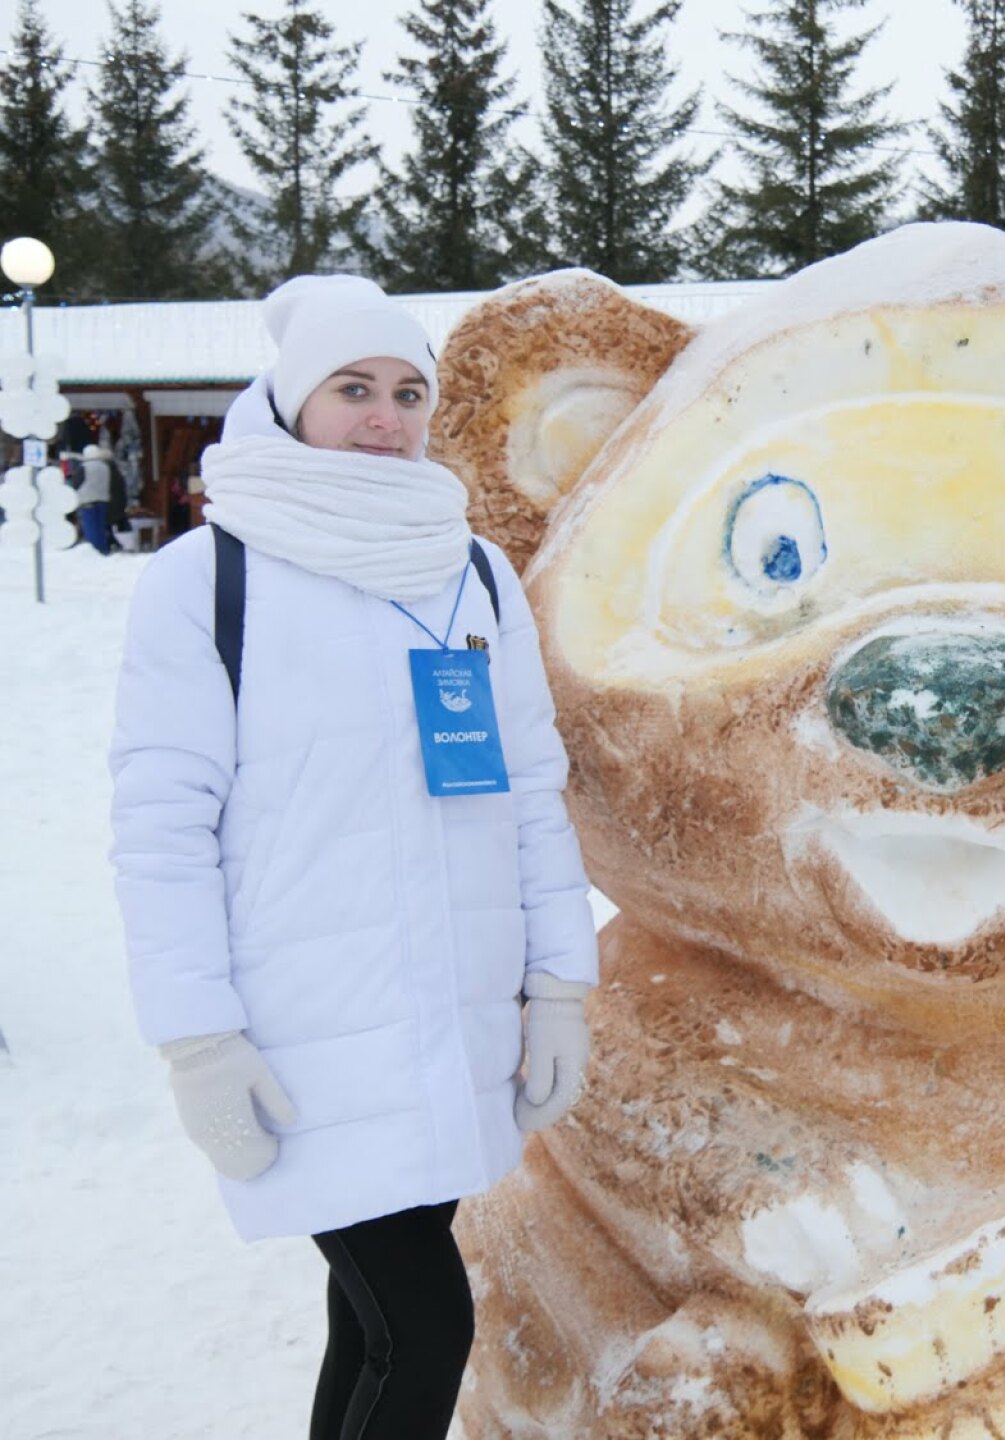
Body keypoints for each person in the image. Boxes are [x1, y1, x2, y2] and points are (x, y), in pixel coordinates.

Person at [109, 275, 600, 1440]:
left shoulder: (472, 571)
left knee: (374, 1325)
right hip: (307, 1035)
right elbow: (162, 829)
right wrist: (199, 1040)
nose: (385, 417)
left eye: (407, 393)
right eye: (352, 389)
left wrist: (559, 986)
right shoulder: (208, 579)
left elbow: (527, 792)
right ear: (292, 402)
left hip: (454, 1021)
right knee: (423, 1326)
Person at [75, 443, 116, 554]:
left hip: (87, 499)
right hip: (103, 499)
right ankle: (103, 548)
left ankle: (93, 550)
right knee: (100, 525)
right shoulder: (105, 467)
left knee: (90, 526)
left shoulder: (84, 467)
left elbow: (77, 483)